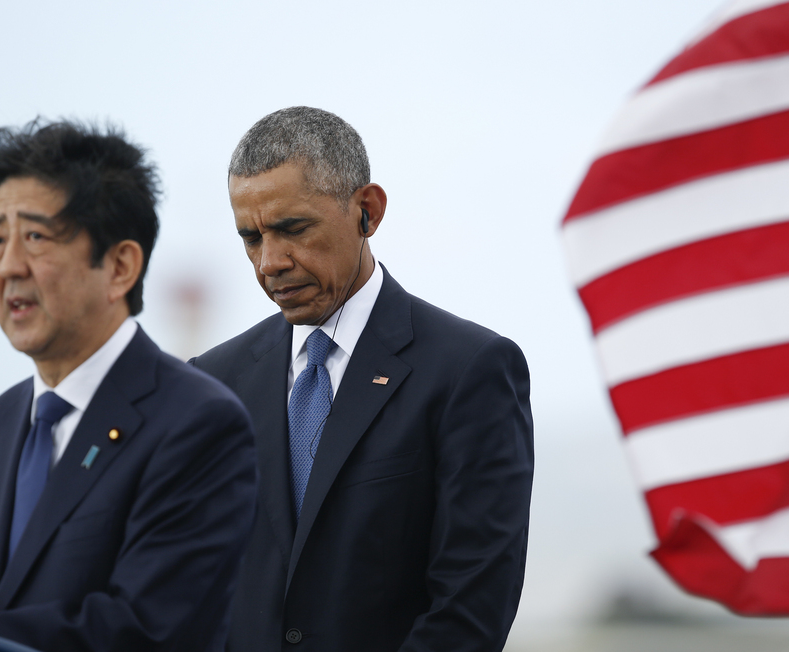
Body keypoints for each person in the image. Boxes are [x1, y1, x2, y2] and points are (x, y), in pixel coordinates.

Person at [0, 120, 258, 651]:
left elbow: (146, 632)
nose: (8, 266)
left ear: (121, 265)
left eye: (35, 237)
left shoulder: (198, 422)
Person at [191, 107, 534, 651]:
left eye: (292, 229)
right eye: (251, 239)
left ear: (366, 212)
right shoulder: (211, 385)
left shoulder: (470, 369)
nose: (269, 262)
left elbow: (471, 607)